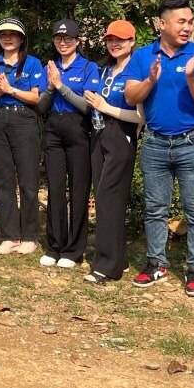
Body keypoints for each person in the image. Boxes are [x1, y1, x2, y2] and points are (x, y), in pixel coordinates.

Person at [122, 0, 194, 296]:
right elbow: (130, 97)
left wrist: (191, 76)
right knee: (155, 209)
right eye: (181, 21)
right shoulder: (142, 56)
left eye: (190, 22)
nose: (187, 27)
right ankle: (156, 264)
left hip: (192, 142)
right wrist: (150, 78)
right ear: (161, 24)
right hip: (154, 143)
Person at [82, 19, 143, 283]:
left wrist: (105, 107)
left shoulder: (136, 72)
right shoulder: (105, 69)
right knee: (106, 197)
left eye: (120, 40)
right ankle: (120, 258)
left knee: (108, 199)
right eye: (110, 39)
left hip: (121, 135)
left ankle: (106, 267)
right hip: (99, 133)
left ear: (131, 42)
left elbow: (142, 117)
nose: (114, 44)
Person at [0, 17, 45, 255]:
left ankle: (29, 235)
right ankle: (9, 235)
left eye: (13, 34)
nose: (7, 38)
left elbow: (37, 98)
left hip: (24, 120)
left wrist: (11, 89)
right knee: (3, 179)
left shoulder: (33, 63)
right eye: (3, 34)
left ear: (21, 38)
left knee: (28, 179)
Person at [39, 19, 101, 269]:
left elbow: (87, 106)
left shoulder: (88, 67)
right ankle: (55, 245)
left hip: (78, 129)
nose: (63, 43)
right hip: (53, 128)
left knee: (78, 191)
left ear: (78, 41)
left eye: (68, 39)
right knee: (55, 189)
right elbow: (41, 107)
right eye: (58, 39)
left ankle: (74, 250)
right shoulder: (50, 67)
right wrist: (51, 87)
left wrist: (60, 86)